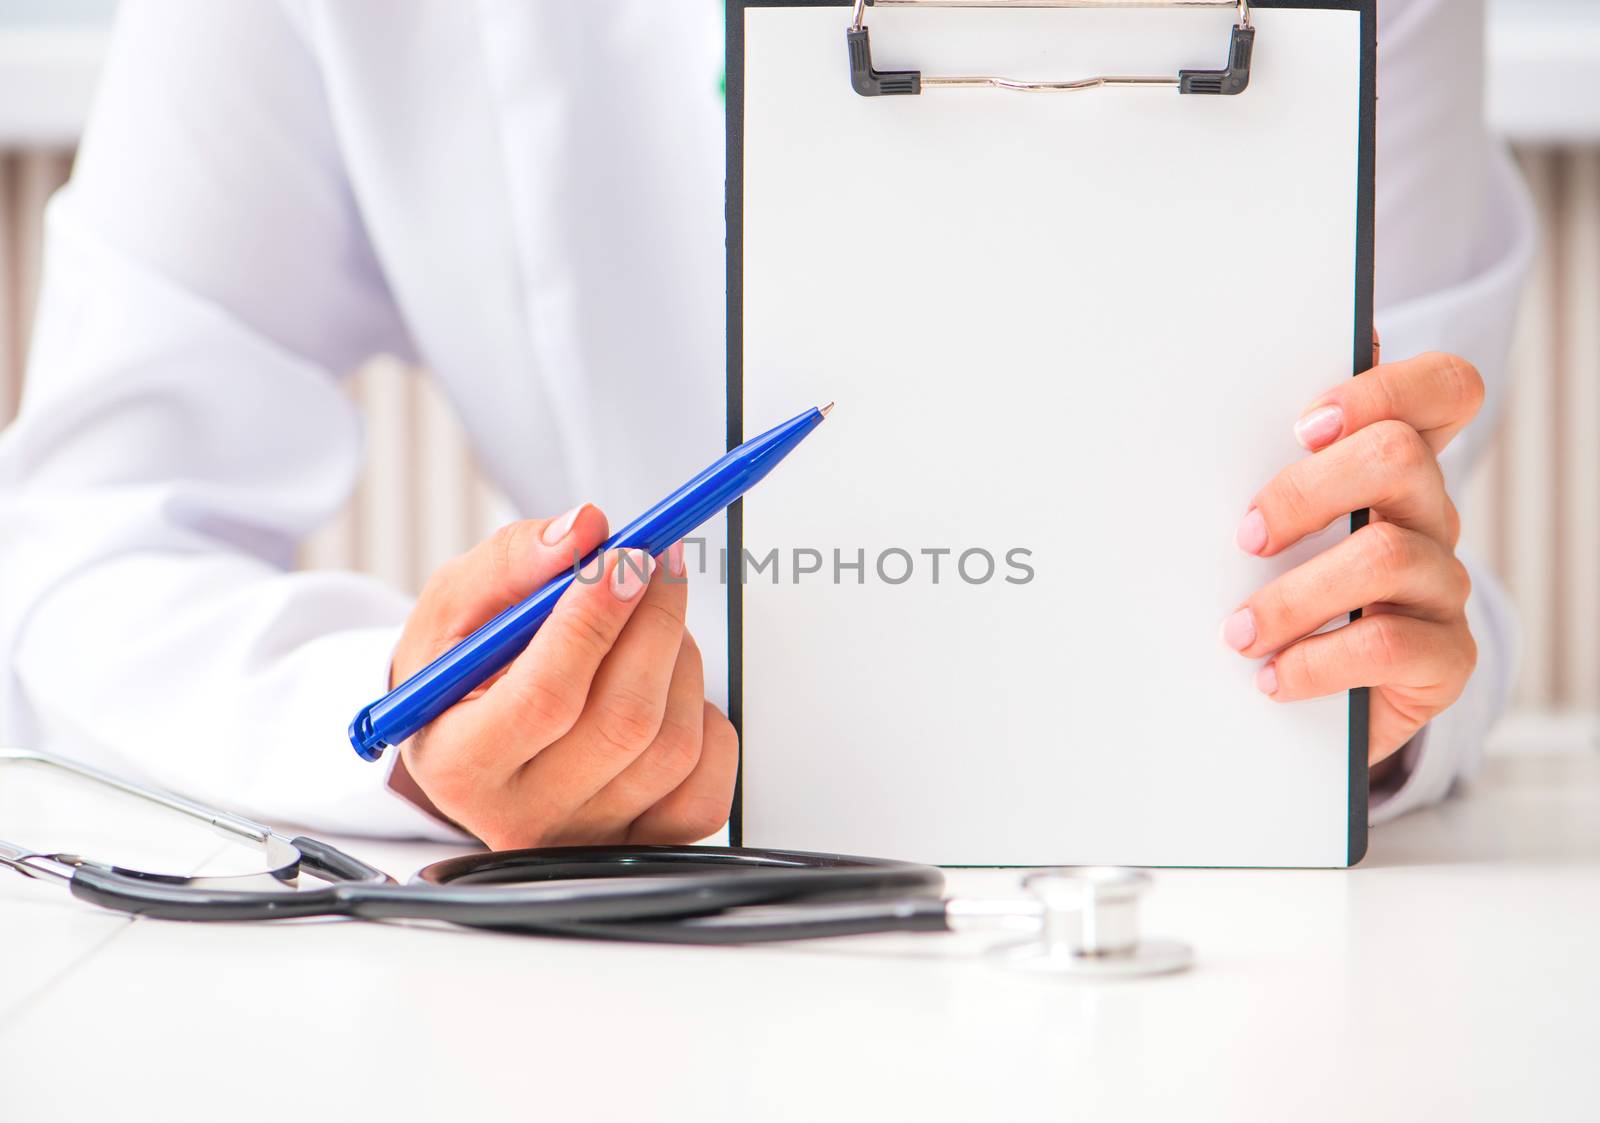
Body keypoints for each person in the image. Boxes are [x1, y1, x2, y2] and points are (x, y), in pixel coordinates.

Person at [0, 0, 1533, 846]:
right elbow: (86, 548)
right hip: (596, 974)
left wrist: (1355, 709)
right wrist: (408, 737)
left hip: (1177, 915)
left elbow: (1393, 545)